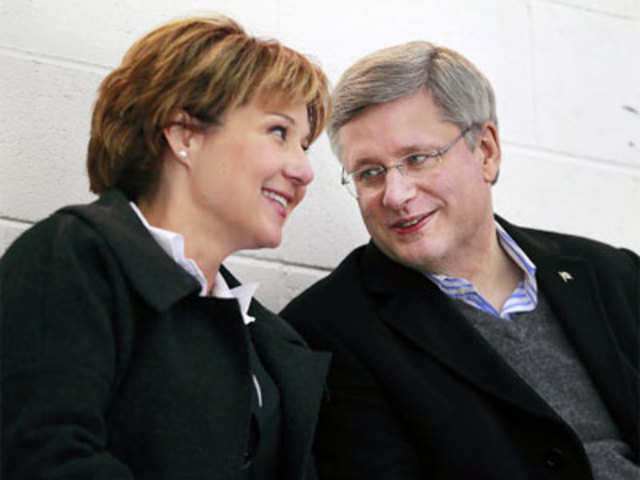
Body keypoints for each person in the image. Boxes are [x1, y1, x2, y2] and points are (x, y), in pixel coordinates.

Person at [281, 41, 639, 479]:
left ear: (486, 151)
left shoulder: (614, 275)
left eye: (417, 159)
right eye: (370, 172)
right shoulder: (328, 330)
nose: (395, 195)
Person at [1, 15, 331, 480]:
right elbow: (43, 457)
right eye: (279, 132)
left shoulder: (267, 338)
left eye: (304, 145)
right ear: (184, 135)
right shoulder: (75, 257)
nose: (303, 170)